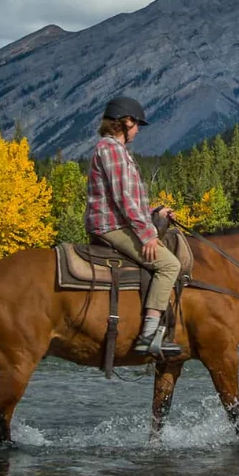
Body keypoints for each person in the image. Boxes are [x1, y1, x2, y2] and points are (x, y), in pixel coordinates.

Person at [84, 96, 183, 356]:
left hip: (115, 222)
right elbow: (124, 198)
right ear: (125, 122)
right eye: (137, 123)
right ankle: (148, 335)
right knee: (170, 264)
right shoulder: (111, 149)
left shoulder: (114, 150)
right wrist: (148, 235)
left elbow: (126, 200)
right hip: (110, 227)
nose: (138, 129)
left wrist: (154, 212)